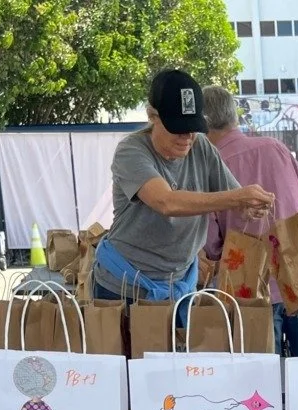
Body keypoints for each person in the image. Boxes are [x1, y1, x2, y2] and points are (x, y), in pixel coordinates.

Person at [93, 69, 274, 312]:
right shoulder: (131, 151)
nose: (187, 137)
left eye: (192, 128)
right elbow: (166, 202)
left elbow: (234, 197)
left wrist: (250, 206)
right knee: (129, 350)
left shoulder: (202, 148)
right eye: (177, 128)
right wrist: (237, 197)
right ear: (152, 116)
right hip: (123, 285)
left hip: (179, 283)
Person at [202, 86, 298, 357]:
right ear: (233, 116)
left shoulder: (212, 167)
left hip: (248, 286)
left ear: (203, 125)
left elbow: (212, 244)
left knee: (261, 382)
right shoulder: (276, 148)